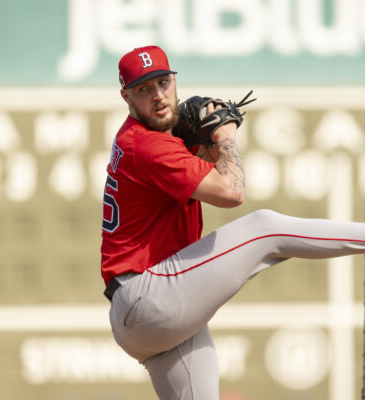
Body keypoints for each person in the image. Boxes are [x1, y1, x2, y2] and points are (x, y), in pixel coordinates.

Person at [100, 45, 365, 399]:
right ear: (126, 96)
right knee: (265, 228)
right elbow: (231, 192)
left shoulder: (148, 140)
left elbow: (197, 181)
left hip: (144, 315)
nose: (158, 96)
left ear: (174, 81)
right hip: (149, 297)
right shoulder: (147, 144)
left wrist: (202, 151)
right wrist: (225, 138)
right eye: (144, 89)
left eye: (162, 83)